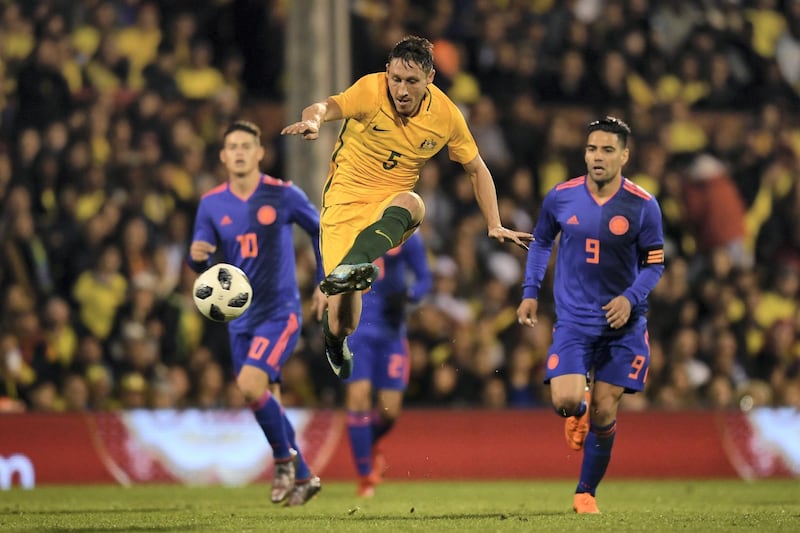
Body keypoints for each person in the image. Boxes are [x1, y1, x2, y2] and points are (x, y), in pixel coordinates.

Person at [281, 35, 532, 379]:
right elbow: (325, 106)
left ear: (429, 79)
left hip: (390, 204)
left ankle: (355, 263)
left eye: (411, 82)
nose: (401, 89)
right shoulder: (371, 90)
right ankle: (333, 338)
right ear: (387, 73)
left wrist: (494, 222)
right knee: (343, 321)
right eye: (396, 79)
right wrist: (313, 121)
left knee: (414, 202)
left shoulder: (445, 115)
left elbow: (476, 168)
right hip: (343, 204)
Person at [515, 117, 665, 514]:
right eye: (591, 149)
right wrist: (530, 292)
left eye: (607, 150)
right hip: (575, 321)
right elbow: (541, 241)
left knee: (604, 409)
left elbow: (654, 264)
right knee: (566, 401)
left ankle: (585, 493)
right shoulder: (561, 197)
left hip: (624, 324)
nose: (597, 157)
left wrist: (630, 298)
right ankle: (575, 410)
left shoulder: (644, 205)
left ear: (625, 155)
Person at [188, 120, 326, 507]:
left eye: (247, 145)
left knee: (249, 386)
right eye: (232, 145)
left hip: (280, 313)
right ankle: (303, 475)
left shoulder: (282, 194)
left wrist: (322, 281)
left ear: (260, 152)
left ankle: (283, 462)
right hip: (238, 319)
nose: (239, 152)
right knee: (268, 400)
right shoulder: (211, 203)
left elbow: (321, 231)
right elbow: (201, 259)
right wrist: (196, 258)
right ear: (222, 155)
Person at [344, 231, 432, 497]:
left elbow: (424, 278)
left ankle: (368, 444)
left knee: (390, 410)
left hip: (392, 333)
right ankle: (365, 478)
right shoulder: (353, 228)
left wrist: (409, 295)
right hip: (358, 329)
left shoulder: (406, 234)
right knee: (358, 397)